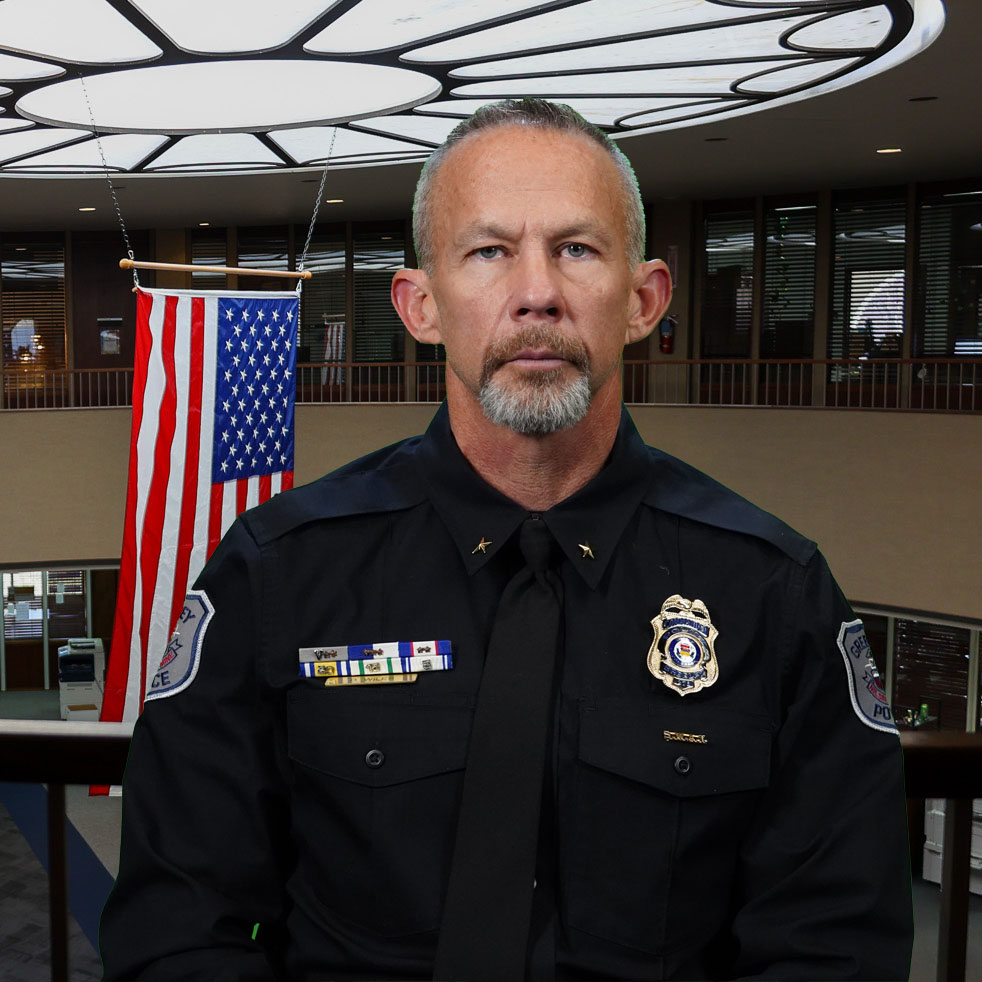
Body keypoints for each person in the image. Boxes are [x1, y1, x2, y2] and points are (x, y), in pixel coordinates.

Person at [101, 99, 913, 981]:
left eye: (577, 249)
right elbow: (178, 926)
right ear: (421, 306)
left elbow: (834, 946)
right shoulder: (280, 574)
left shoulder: (773, 592)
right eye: (488, 252)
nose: (537, 293)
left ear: (643, 300)